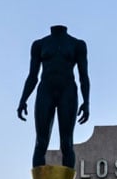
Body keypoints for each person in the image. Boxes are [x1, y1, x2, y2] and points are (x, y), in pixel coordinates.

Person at [17, 25, 90, 168]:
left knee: (67, 143)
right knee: (41, 143)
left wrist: (86, 102)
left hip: (67, 91)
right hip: (46, 91)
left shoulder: (77, 45)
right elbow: (33, 76)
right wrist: (23, 99)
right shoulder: (39, 45)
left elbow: (84, 76)